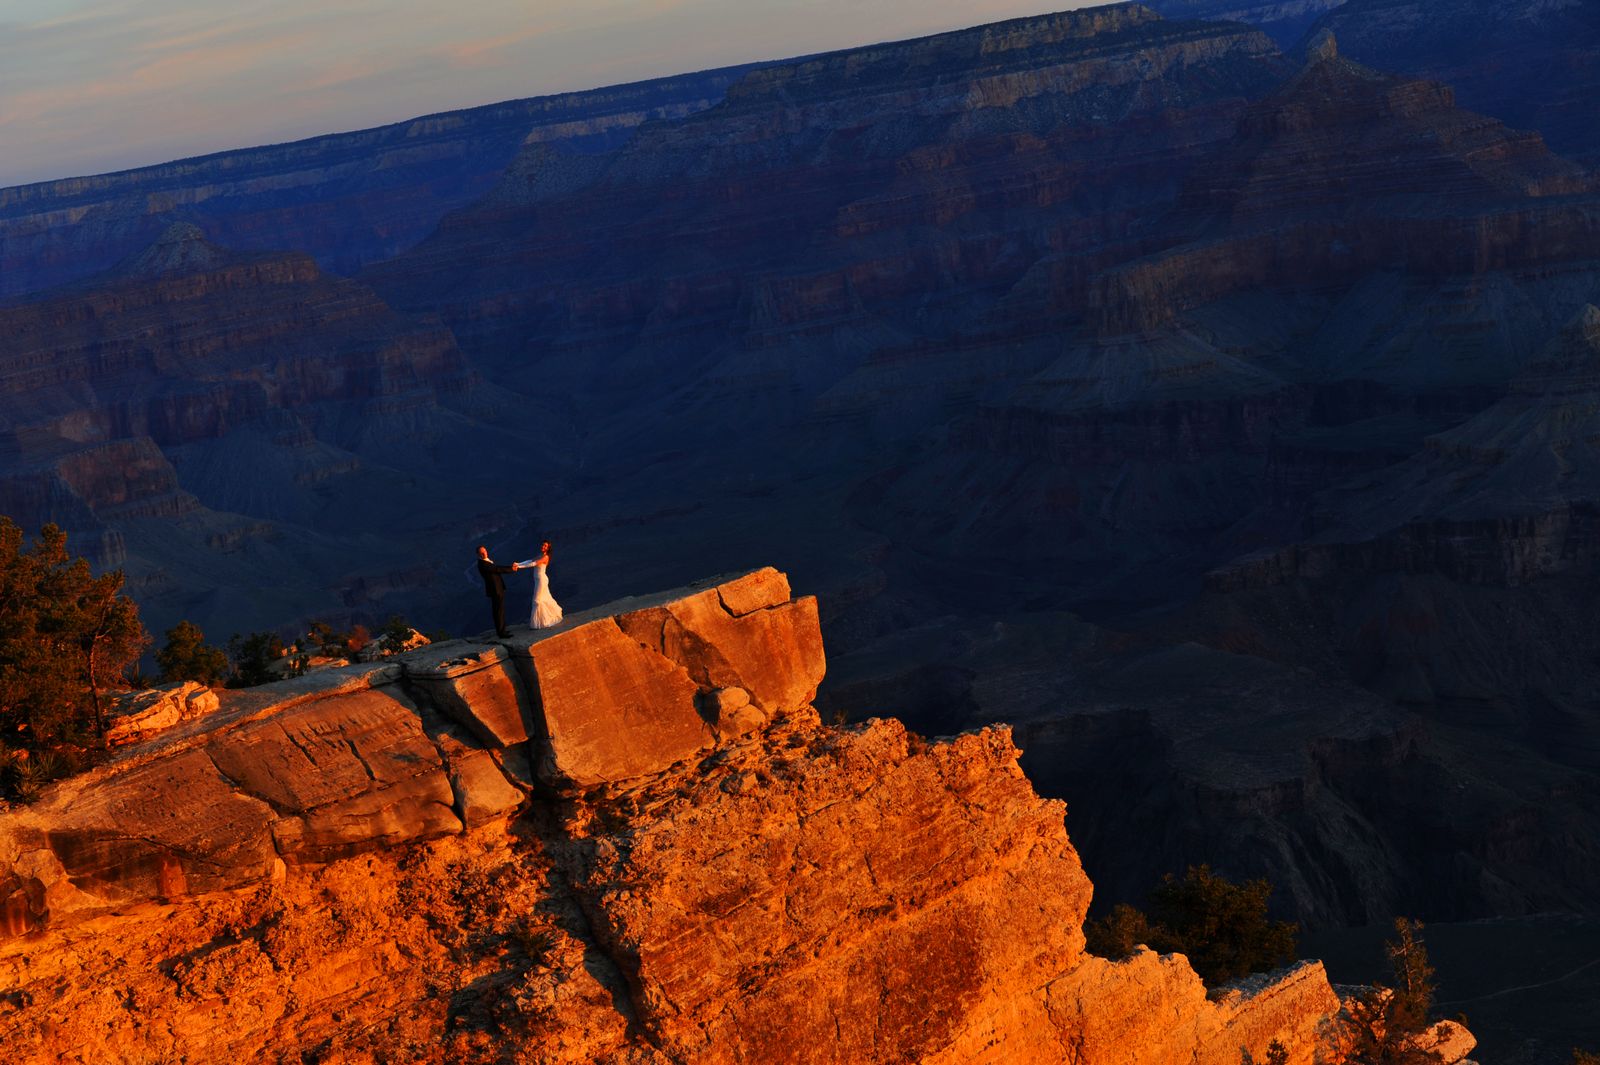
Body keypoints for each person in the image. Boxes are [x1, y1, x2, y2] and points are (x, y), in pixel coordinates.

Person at [475, 546, 520, 638]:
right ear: (478, 554)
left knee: (499, 610)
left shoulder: (485, 561)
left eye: (485, 551)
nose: (484, 553)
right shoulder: (482, 564)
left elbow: (496, 568)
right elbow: (497, 569)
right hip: (495, 590)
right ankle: (501, 633)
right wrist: (511, 569)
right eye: (482, 553)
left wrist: (511, 567)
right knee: (498, 611)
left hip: (497, 589)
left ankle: (502, 630)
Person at [518, 540, 563, 629]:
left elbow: (533, 563)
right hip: (538, 580)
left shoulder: (545, 557)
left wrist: (519, 567)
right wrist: (518, 563)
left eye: (545, 546)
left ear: (548, 548)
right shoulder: (540, 555)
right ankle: (543, 620)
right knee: (544, 598)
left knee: (537, 600)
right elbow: (530, 560)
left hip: (542, 580)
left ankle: (539, 623)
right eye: (543, 545)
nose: (543, 547)